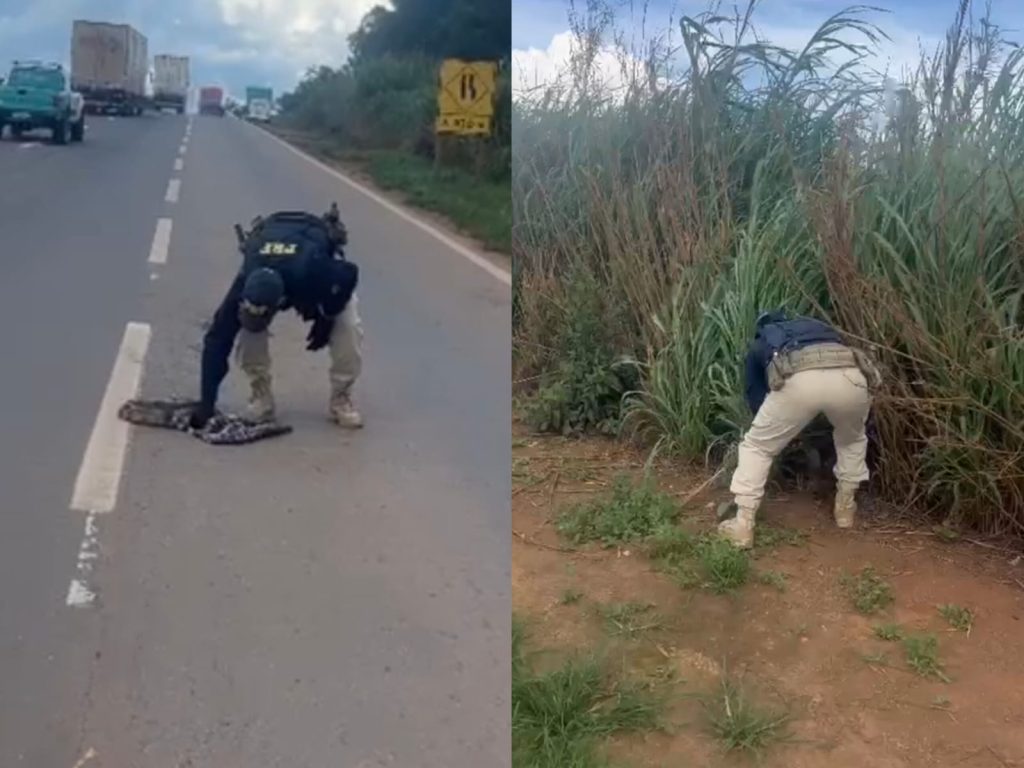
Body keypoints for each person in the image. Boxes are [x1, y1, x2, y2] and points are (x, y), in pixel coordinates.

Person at [717, 309, 881, 548]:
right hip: (852, 376)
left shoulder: (764, 338)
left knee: (757, 446)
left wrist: (775, 428)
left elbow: (756, 395)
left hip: (800, 376)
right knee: (852, 439)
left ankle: (742, 525)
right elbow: (828, 382)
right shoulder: (820, 329)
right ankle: (845, 510)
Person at [190, 204, 362, 431]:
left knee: (348, 329)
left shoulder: (316, 271)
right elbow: (217, 339)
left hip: (313, 269)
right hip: (272, 253)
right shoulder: (246, 279)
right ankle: (261, 396)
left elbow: (350, 274)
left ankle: (341, 397)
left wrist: (327, 315)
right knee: (250, 330)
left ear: (280, 301)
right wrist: (206, 404)